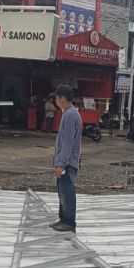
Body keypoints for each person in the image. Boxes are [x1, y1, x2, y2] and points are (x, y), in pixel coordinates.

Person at [50, 84, 82, 233]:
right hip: (67, 161)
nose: (55, 101)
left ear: (62, 99)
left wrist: (61, 163)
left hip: (67, 162)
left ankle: (68, 221)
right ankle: (63, 219)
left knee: (66, 191)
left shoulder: (70, 115)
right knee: (62, 190)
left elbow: (67, 142)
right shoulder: (70, 113)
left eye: (56, 98)